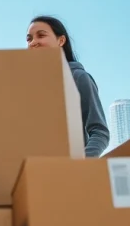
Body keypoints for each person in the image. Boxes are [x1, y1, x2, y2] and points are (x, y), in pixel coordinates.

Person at [26, 16, 110, 157]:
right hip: (34, 171)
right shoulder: (27, 85)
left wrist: (78, 167)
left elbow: (100, 132)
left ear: (61, 40)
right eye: (29, 39)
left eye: (41, 35)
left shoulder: (78, 78)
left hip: (68, 173)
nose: (33, 42)